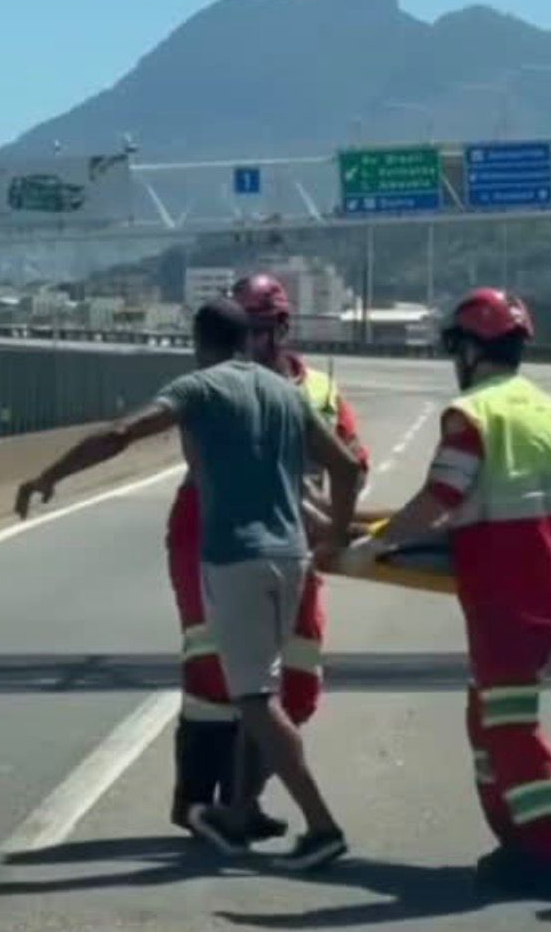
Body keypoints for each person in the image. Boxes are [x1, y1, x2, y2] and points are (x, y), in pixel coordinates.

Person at [16, 298, 362, 870]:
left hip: (236, 558)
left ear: (199, 342)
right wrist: (336, 537)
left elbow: (121, 433)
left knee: (251, 700)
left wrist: (48, 475)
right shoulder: (286, 393)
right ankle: (238, 812)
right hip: (292, 557)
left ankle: (322, 827)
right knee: (268, 692)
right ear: (249, 338)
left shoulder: (199, 388)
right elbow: (347, 466)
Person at [363, 287, 551, 899]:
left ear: (469, 349)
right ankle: (517, 839)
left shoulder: (472, 414)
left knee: (508, 725)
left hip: (508, 590)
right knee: (489, 719)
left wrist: (373, 544)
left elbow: (443, 497)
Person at [166, 274, 368, 841]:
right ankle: (195, 800)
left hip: (289, 543)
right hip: (217, 534)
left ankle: (243, 802)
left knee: (295, 682)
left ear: (281, 329)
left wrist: (330, 528)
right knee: (213, 675)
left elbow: (351, 463)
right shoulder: (213, 386)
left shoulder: (318, 391)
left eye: (260, 329)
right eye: (243, 329)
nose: (250, 342)